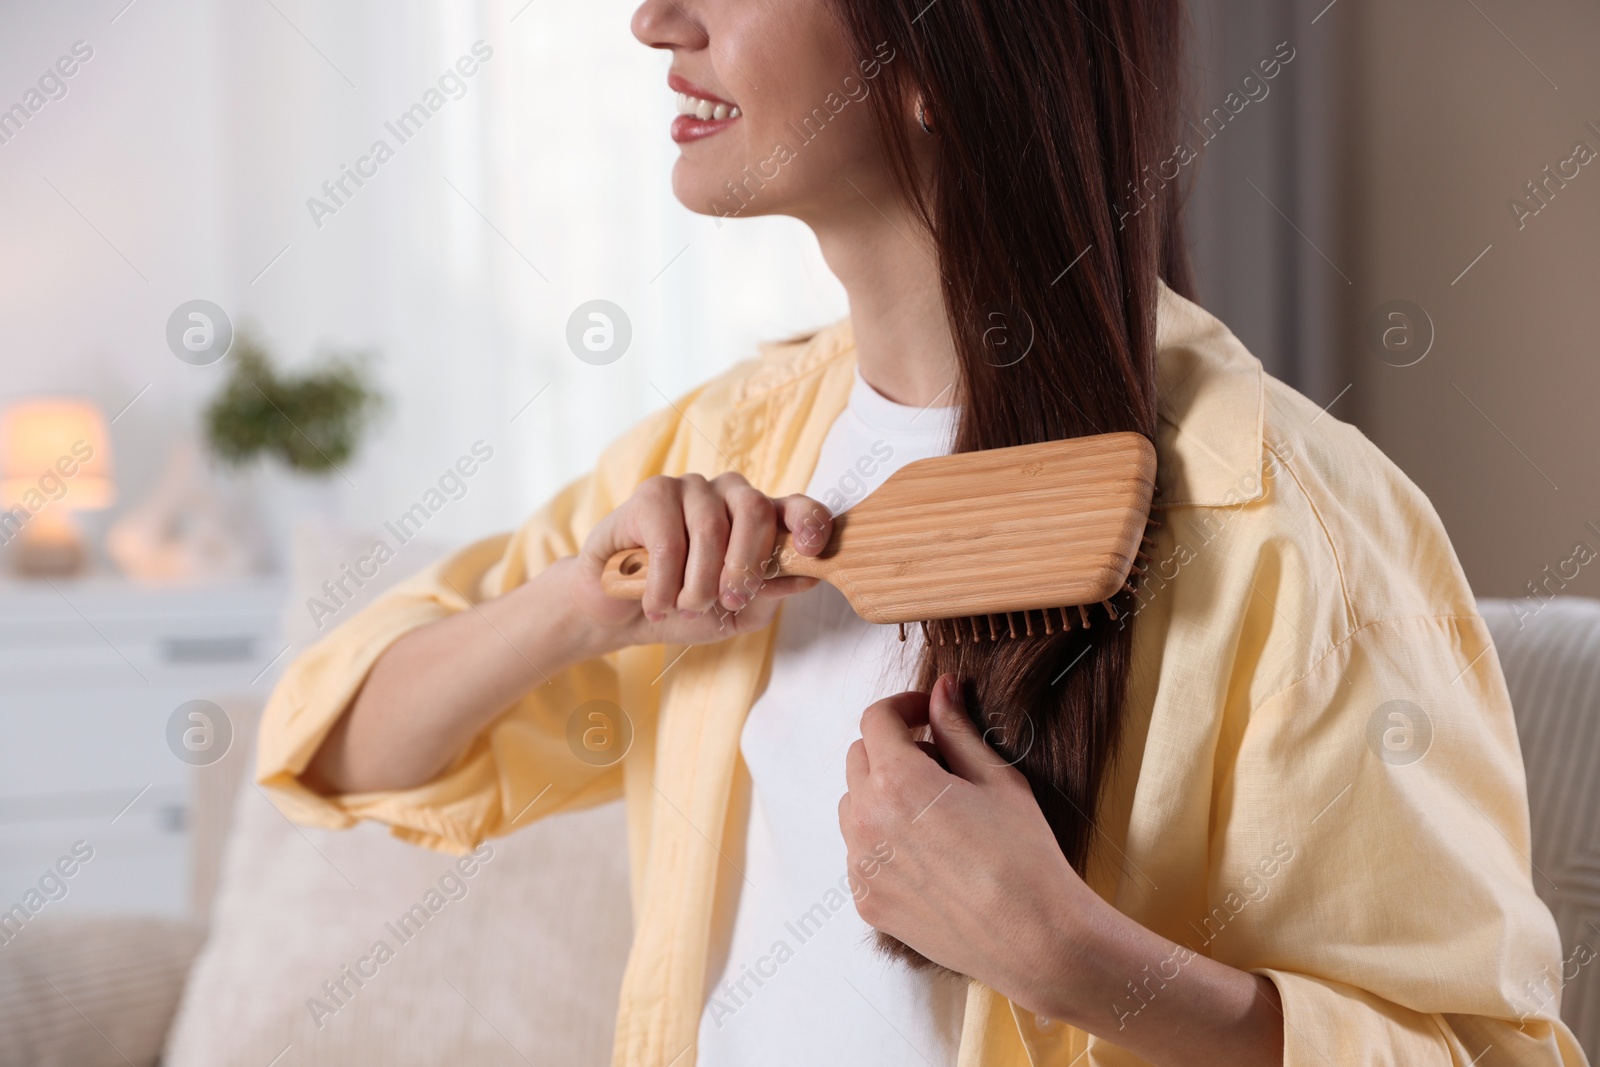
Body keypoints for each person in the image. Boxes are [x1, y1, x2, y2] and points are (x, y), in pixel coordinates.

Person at [257, 1, 1588, 1064]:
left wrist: (1074, 962)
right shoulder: (720, 447)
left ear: (936, 56)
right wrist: (585, 606)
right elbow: (344, 746)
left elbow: (1480, 1054)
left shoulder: (1291, 519)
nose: (654, 18)